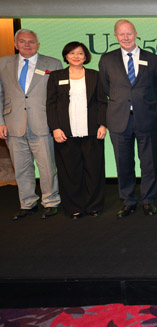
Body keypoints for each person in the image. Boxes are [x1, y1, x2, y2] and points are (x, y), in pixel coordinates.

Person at [99, 19, 157, 218]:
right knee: (123, 162)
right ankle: (128, 201)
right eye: (121, 34)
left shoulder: (152, 58)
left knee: (149, 162)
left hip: (147, 117)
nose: (126, 38)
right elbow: (105, 87)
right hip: (119, 119)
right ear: (116, 36)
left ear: (135, 34)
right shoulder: (107, 59)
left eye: (129, 33)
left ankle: (148, 200)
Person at [0, 29, 62, 220]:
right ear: (16, 44)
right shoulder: (3, 63)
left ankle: (51, 202)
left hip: (42, 123)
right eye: (23, 41)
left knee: (47, 166)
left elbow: (58, 97)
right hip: (13, 124)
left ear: (38, 45)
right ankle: (27, 203)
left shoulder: (53, 63)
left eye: (31, 42)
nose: (27, 45)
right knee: (21, 167)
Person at [46, 42, 107, 219]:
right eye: (72, 53)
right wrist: (55, 128)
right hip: (65, 133)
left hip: (92, 131)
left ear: (86, 57)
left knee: (93, 170)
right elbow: (50, 104)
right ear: (66, 56)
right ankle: (74, 207)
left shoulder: (95, 75)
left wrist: (103, 124)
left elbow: (102, 102)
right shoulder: (57, 76)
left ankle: (94, 205)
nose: (76, 56)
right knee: (70, 171)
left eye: (80, 53)